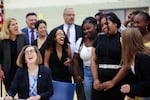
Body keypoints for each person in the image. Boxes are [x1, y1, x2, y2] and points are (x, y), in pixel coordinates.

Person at [91, 12, 128, 100]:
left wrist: (113, 82)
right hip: (99, 81)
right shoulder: (98, 38)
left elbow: (127, 64)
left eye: (107, 24)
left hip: (117, 81)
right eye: (102, 25)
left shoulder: (123, 38)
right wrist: (96, 80)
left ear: (115, 23)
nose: (104, 27)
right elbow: (93, 60)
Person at [54, 7, 85, 100]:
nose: (72, 17)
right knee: (64, 89)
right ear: (64, 16)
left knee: (80, 89)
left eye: (73, 15)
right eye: (69, 15)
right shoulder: (57, 30)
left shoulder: (80, 29)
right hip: (63, 65)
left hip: (78, 64)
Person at [120, 28, 150, 100]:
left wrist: (131, 89)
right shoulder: (131, 56)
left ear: (128, 40)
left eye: (122, 37)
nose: (120, 39)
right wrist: (131, 93)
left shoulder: (143, 58)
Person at [73, 16, 98, 100]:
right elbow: (75, 58)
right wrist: (77, 75)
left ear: (95, 26)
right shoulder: (80, 41)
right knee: (88, 97)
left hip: (100, 71)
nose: (86, 31)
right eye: (84, 29)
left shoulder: (101, 38)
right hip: (87, 72)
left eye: (88, 28)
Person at [0, 17, 26, 91]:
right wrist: (0, 70)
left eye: (16, 24)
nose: (16, 26)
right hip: (8, 71)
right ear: (8, 28)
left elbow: (26, 52)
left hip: (21, 69)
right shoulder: (2, 40)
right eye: (13, 25)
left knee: (23, 92)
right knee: (10, 93)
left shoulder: (22, 37)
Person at [133, 11, 150, 100]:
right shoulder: (134, 37)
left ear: (147, 23)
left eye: (138, 22)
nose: (135, 25)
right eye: (134, 22)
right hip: (136, 82)